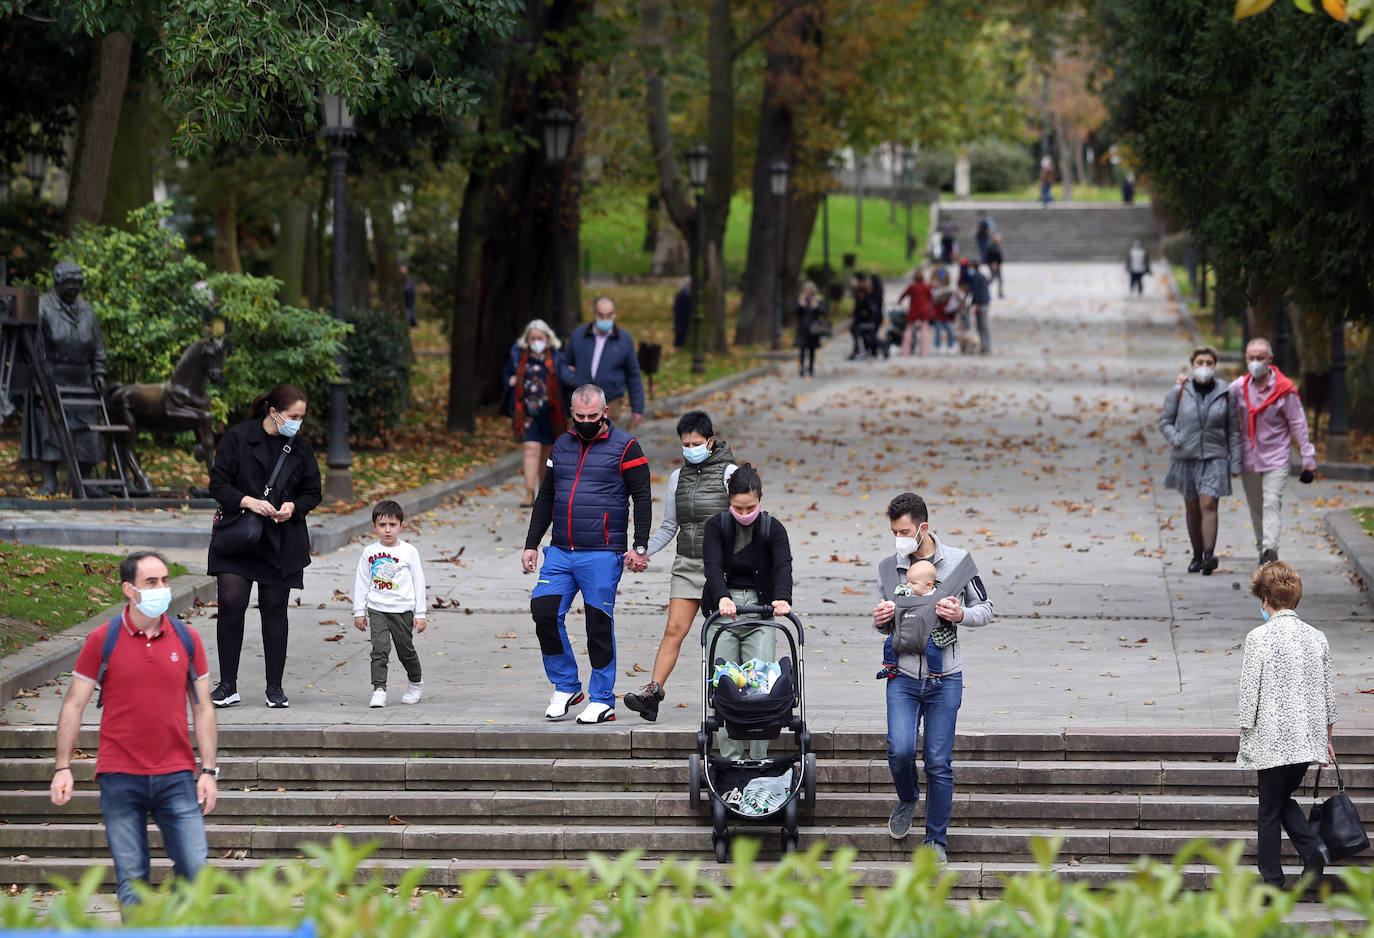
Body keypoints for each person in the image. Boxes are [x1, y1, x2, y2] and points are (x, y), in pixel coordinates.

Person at [49, 551, 219, 909]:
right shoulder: (103, 639)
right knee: (132, 879)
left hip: (176, 774)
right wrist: (62, 766)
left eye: (165, 581)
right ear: (129, 589)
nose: (162, 588)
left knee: (195, 869)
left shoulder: (187, 639)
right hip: (119, 775)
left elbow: (202, 708)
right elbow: (74, 704)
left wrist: (208, 770)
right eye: (151, 582)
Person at [521, 384, 653, 724]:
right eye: (579, 417)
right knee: (544, 611)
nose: (586, 422)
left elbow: (641, 497)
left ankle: (603, 698)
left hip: (602, 552)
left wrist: (639, 546)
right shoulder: (562, 444)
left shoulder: (627, 447)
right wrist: (531, 543)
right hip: (562, 550)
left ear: (605, 413)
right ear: (571, 413)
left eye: (592, 416)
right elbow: (546, 497)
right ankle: (566, 685)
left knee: (598, 623)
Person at [872, 492, 993, 862]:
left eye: (904, 531)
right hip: (903, 677)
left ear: (923, 527)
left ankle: (935, 840)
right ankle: (908, 796)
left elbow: (986, 609)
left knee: (939, 761)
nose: (899, 539)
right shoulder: (890, 566)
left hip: (945, 678)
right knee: (901, 751)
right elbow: (887, 620)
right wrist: (879, 622)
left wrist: (960, 616)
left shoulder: (958, 563)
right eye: (894, 531)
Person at [207, 384, 322, 709]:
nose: (298, 422)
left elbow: (313, 492)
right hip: (239, 533)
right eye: (293, 416)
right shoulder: (238, 437)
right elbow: (218, 483)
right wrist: (247, 502)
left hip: (280, 538)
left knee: (274, 609)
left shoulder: (300, 447)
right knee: (231, 603)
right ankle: (227, 685)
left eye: (301, 417)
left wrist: (293, 507)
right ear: (273, 412)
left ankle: (275, 688)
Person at [624, 411, 737, 721]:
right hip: (687, 562)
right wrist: (642, 551)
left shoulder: (730, 473)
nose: (690, 449)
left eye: (696, 443)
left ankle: (730, 695)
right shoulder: (677, 478)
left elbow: (744, 519)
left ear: (710, 441)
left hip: (722, 567)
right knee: (674, 628)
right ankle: (653, 691)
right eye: (685, 444)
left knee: (724, 632)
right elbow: (669, 526)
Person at [1237, 561, 1336, 889]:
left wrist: (1245, 735)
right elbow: (1328, 694)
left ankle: (1273, 881)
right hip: (1307, 739)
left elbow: (1249, 692)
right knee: (1282, 799)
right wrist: (1327, 739)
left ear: (1265, 599)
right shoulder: (1317, 637)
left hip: (1271, 738)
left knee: (1268, 809)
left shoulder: (1258, 638)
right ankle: (1314, 849)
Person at [700, 463, 793, 759]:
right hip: (724, 610)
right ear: (729, 499)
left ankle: (759, 755)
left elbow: (782, 565)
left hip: (760, 609)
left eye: (749, 507)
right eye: (737, 507)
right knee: (725, 686)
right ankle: (730, 759)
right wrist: (722, 597)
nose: (743, 513)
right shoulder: (717, 526)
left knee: (760, 685)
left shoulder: (772, 527)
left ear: (761, 497)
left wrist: (782, 598)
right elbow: (712, 566)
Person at [22, 261, 108, 495]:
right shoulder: (43, 308)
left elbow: (98, 346)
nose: (73, 289)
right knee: (51, 429)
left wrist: (99, 372)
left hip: (83, 378)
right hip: (52, 377)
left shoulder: (87, 309)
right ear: (57, 283)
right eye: (68, 285)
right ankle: (49, 481)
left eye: (77, 285)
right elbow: (34, 347)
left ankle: (85, 481)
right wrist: (43, 375)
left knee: (87, 429)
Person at [1229, 338, 1317, 565]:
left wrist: (1308, 458)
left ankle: (1270, 546)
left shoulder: (1284, 390)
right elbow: (1216, 399)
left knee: (1271, 501)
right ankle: (1263, 550)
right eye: (1251, 358)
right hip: (1249, 458)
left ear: (1270, 359)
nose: (1255, 362)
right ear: (1246, 359)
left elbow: (1298, 423)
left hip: (1276, 458)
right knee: (1256, 507)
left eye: (1260, 358)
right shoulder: (1239, 388)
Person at [1158, 347, 1241, 575]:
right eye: (1200, 362)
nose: (1204, 366)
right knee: (1193, 507)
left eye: (1209, 362)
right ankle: (1196, 555)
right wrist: (1177, 439)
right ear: (1192, 365)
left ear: (1215, 365)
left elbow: (1233, 429)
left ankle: (1208, 555)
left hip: (1215, 456)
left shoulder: (1225, 393)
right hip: (1186, 457)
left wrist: (1235, 462)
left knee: (1209, 504)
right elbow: (1165, 421)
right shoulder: (1179, 391)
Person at [353, 499, 427, 708]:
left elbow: (418, 582)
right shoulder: (369, 552)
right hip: (377, 608)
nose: (387, 530)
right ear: (374, 527)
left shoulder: (409, 552)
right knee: (379, 650)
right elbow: (362, 581)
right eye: (382, 525)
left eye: (392, 525)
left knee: (405, 650)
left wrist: (420, 613)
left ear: (401, 526)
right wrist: (359, 611)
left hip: (403, 610)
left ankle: (415, 681)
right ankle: (379, 689)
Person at [503, 319, 574, 507]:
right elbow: (506, 375)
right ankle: (528, 492)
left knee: (547, 454)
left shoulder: (557, 357)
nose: (536, 341)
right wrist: (510, 381)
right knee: (531, 449)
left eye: (540, 337)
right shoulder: (518, 356)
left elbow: (566, 378)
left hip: (551, 414)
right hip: (526, 414)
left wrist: (575, 379)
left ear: (548, 339)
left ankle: (543, 493)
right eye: (532, 338)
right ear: (527, 339)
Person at [563, 296, 645, 428]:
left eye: (609, 315)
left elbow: (633, 375)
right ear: (595, 314)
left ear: (614, 314)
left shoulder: (624, 340)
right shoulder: (578, 336)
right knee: (578, 444)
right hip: (580, 402)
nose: (605, 320)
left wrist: (637, 408)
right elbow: (565, 364)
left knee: (606, 442)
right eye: (601, 315)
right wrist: (571, 379)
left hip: (610, 401)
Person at [876, 560, 940, 680]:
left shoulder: (936, 595)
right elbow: (897, 603)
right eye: (907, 582)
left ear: (929, 585)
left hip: (928, 632)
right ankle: (890, 665)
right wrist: (888, 606)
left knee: (933, 649)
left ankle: (935, 674)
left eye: (913, 583)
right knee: (890, 642)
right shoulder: (907, 593)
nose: (908, 586)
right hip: (906, 628)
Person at [958, 262, 993, 355]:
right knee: (980, 326)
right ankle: (983, 346)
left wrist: (975, 304)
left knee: (983, 326)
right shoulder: (980, 277)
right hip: (982, 303)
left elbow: (978, 292)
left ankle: (986, 346)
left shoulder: (977, 278)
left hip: (981, 303)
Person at [793, 280, 826, 378]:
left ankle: (811, 368)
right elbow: (796, 312)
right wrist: (801, 303)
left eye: (809, 289)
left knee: (812, 349)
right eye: (806, 289)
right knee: (802, 349)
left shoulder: (817, 300)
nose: (807, 291)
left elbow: (823, 312)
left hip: (813, 328)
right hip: (803, 328)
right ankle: (802, 367)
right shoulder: (801, 299)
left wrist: (815, 305)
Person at [898, 270, 934, 356]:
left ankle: (905, 351)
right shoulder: (927, 287)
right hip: (924, 311)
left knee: (909, 331)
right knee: (924, 332)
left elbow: (903, 295)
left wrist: (899, 302)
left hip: (913, 311)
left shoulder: (912, 287)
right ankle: (924, 352)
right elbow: (931, 298)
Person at [929, 268, 960, 356]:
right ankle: (938, 346)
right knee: (938, 330)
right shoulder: (933, 289)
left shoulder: (949, 288)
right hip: (938, 312)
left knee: (949, 329)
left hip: (946, 312)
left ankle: (950, 346)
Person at [672, 279, 692, 348]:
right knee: (680, 333)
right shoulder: (683, 294)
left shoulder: (685, 293)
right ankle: (678, 347)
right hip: (681, 318)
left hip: (682, 318)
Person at [986, 234, 1005, 300]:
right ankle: (984, 286)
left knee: (999, 279)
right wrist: (993, 263)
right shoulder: (992, 246)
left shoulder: (996, 246)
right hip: (994, 265)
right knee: (992, 279)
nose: (1000, 240)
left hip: (997, 265)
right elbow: (990, 255)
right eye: (999, 239)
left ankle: (1000, 293)